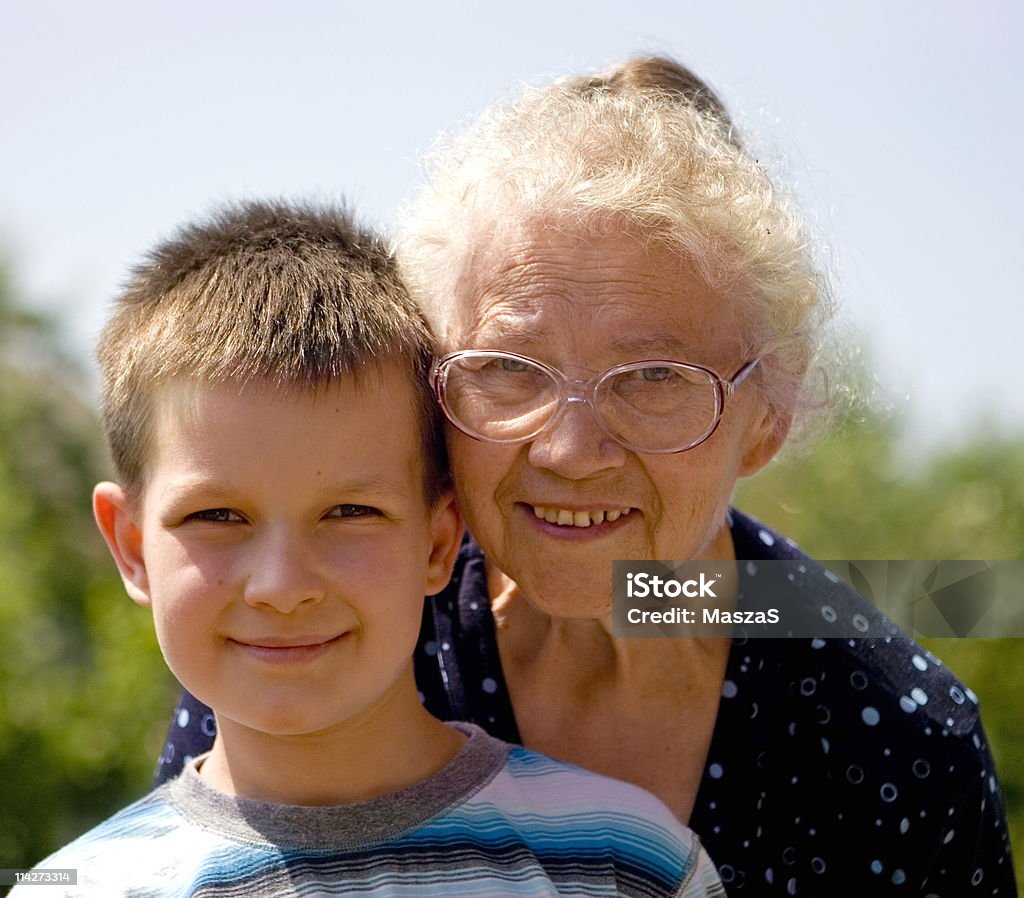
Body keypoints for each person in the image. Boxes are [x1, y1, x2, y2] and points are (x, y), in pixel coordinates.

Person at [159, 57, 1017, 896]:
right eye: (510, 368)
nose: (570, 451)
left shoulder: (898, 738)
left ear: (766, 421)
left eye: (654, 378)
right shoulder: (323, 628)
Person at [14, 201, 725, 897]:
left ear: (440, 541)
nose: (282, 585)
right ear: (131, 546)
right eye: (218, 515)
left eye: (350, 512)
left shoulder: (626, 864)